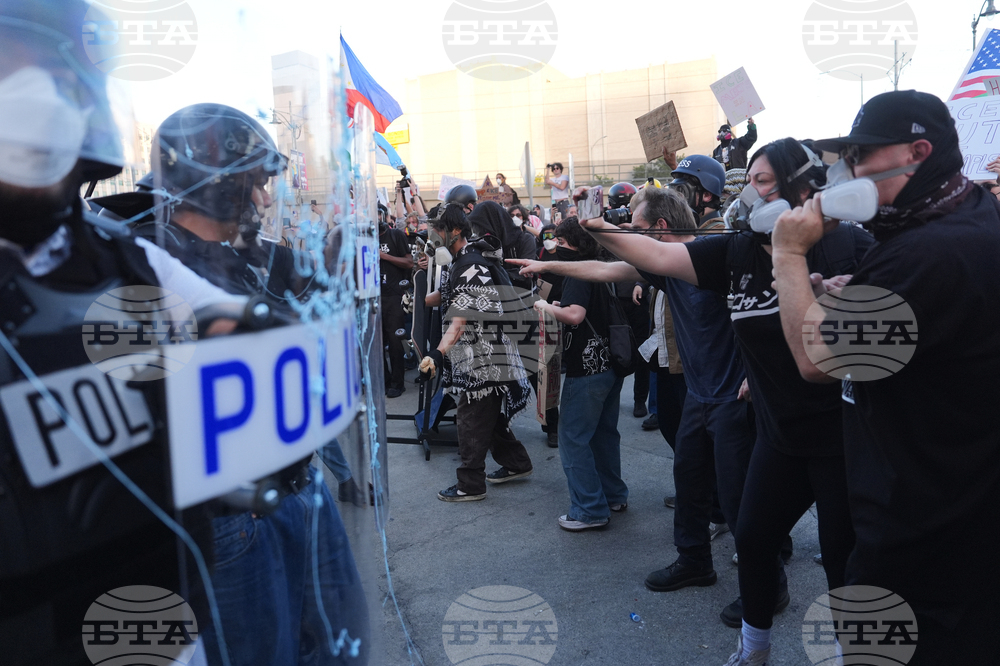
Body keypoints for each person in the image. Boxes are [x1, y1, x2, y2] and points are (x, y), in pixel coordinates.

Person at [0, 6, 249, 662]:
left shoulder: (122, 255)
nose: (34, 96)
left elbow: (238, 326)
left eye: (54, 71)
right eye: (7, 67)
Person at [566, 138, 873, 665]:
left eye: (762, 182)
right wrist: (601, 229)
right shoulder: (732, 250)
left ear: (805, 187)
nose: (748, 194)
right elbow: (659, 253)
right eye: (747, 182)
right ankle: (754, 649)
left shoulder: (850, 245)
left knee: (845, 558)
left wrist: (849, 298)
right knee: (751, 538)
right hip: (779, 431)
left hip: (840, 432)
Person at [773, 90, 1000, 665]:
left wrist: (789, 257)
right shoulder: (970, 214)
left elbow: (817, 361)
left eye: (861, 155)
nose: (847, 171)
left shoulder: (925, 252)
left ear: (917, 152)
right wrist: (867, 300)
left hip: (918, 529)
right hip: (965, 507)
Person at [148, 102, 371, 665]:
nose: (267, 199)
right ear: (220, 184)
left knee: (340, 646)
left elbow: (326, 288)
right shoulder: (150, 266)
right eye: (257, 183)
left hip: (301, 485)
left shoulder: (264, 257)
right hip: (229, 518)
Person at [423, 204, 534, 502]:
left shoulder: (471, 265)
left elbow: (460, 320)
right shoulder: (459, 261)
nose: (433, 234)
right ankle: (517, 463)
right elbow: (441, 297)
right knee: (486, 415)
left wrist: (437, 352)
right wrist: (420, 284)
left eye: (438, 228)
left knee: (470, 417)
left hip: (485, 358)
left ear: (456, 231)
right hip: (477, 355)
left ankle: (470, 483)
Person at [532, 218, 626, 531]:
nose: (552, 243)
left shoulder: (571, 268)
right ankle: (613, 495)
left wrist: (544, 305)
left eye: (556, 238)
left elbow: (575, 314)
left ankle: (589, 509)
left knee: (573, 439)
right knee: (603, 435)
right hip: (609, 363)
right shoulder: (597, 264)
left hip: (584, 369)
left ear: (567, 240)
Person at [379, 205, 414, 398]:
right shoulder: (362, 240)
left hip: (394, 296)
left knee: (395, 341)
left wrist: (383, 256)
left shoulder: (396, 236)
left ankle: (397, 383)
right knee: (376, 343)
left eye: (377, 213)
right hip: (372, 296)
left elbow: (409, 262)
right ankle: (383, 380)